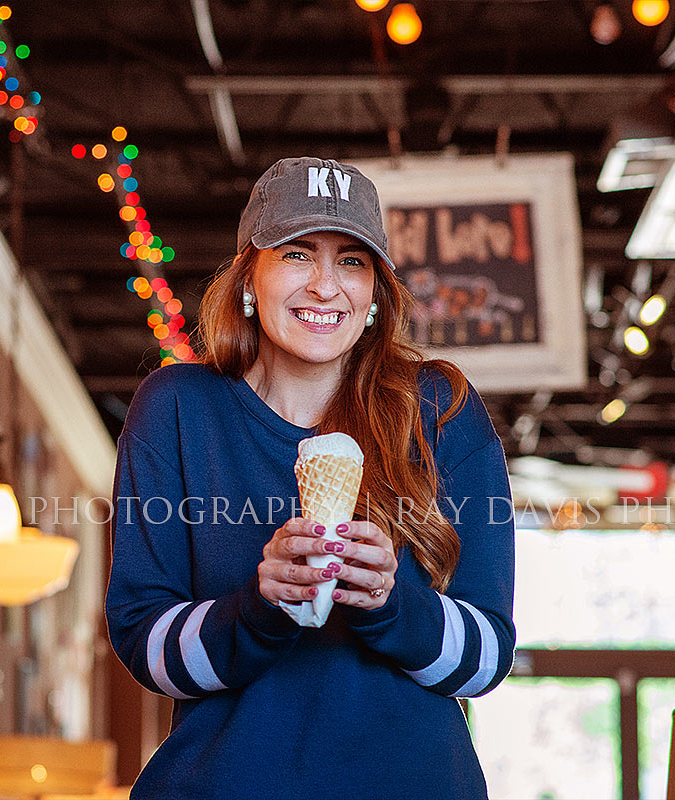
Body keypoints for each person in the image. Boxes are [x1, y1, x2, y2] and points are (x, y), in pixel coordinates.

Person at [104, 157, 515, 799]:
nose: (326, 286)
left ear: (376, 291)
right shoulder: (179, 406)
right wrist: (259, 609)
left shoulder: (440, 410)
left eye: (352, 261)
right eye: (297, 254)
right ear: (249, 277)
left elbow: (488, 658)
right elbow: (143, 645)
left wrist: (391, 602)